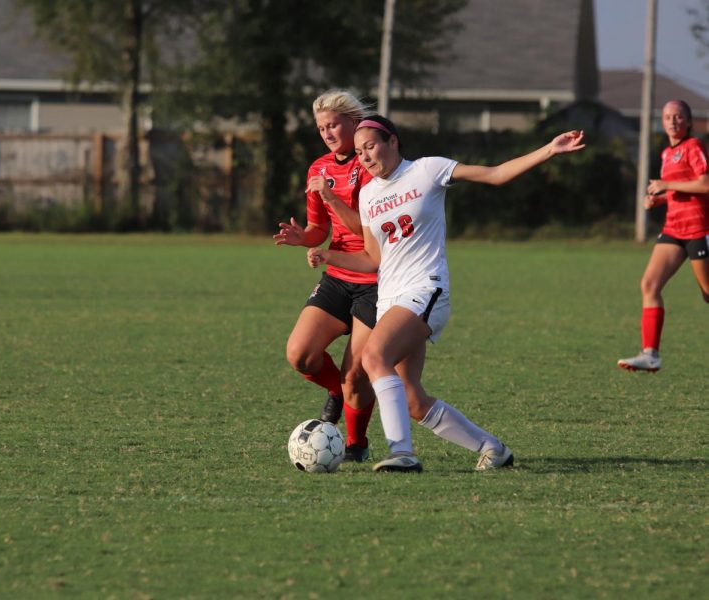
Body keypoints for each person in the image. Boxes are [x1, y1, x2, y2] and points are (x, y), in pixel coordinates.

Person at [308, 115, 585, 472]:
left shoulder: (427, 170)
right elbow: (373, 258)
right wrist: (329, 255)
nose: (364, 156)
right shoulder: (370, 195)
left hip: (425, 288)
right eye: (359, 151)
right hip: (390, 299)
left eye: (371, 147)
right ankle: (493, 448)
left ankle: (402, 453)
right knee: (412, 399)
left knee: (373, 357)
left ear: (393, 141)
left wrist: (549, 149)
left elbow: (496, 174)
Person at [273, 89, 378, 462]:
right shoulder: (318, 168)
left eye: (333, 124)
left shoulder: (373, 166)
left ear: (354, 123)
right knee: (300, 355)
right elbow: (320, 228)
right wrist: (305, 237)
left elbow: (368, 234)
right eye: (321, 128)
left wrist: (332, 198)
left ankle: (356, 445)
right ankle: (338, 393)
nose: (328, 133)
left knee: (356, 377)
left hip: (375, 280)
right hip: (338, 275)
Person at [618, 99, 709, 373]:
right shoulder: (667, 154)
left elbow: (705, 184)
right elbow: (680, 190)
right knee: (649, 284)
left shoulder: (694, 147)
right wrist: (659, 200)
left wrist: (665, 184)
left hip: (698, 229)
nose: (673, 121)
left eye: (679, 117)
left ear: (689, 122)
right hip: (673, 229)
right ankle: (650, 354)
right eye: (668, 117)